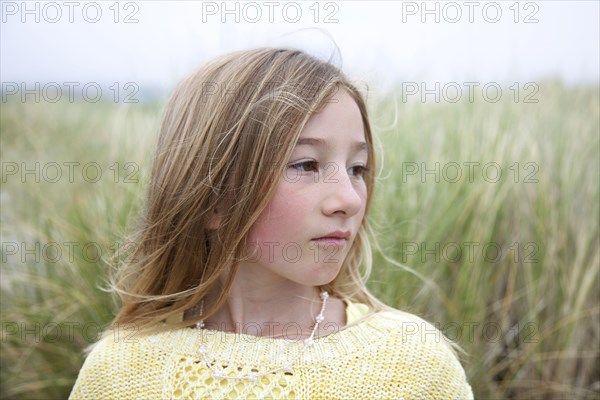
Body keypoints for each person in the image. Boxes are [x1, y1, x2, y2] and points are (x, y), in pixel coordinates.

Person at [69, 47, 474, 399]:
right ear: (213, 199)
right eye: (306, 164)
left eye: (357, 168)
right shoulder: (121, 371)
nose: (350, 199)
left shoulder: (410, 362)